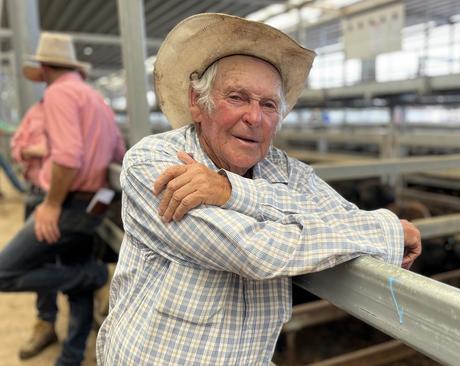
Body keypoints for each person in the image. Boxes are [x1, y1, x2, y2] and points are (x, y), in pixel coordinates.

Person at [96, 13, 421, 365]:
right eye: (237, 97)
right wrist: (386, 229)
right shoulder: (156, 162)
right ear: (196, 102)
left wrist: (230, 191)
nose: (255, 117)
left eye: (268, 105)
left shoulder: (287, 171)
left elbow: (345, 218)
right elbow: (253, 250)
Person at [0, 32, 125, 366]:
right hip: (94, 200)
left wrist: (52, 203)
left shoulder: (57, 94)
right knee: (74, 272)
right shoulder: (95, 99)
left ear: (42, 67)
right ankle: (70, 356)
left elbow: (68, 158)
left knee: (4, 272)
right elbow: (118, 153)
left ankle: (96, 276)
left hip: (69, 202)